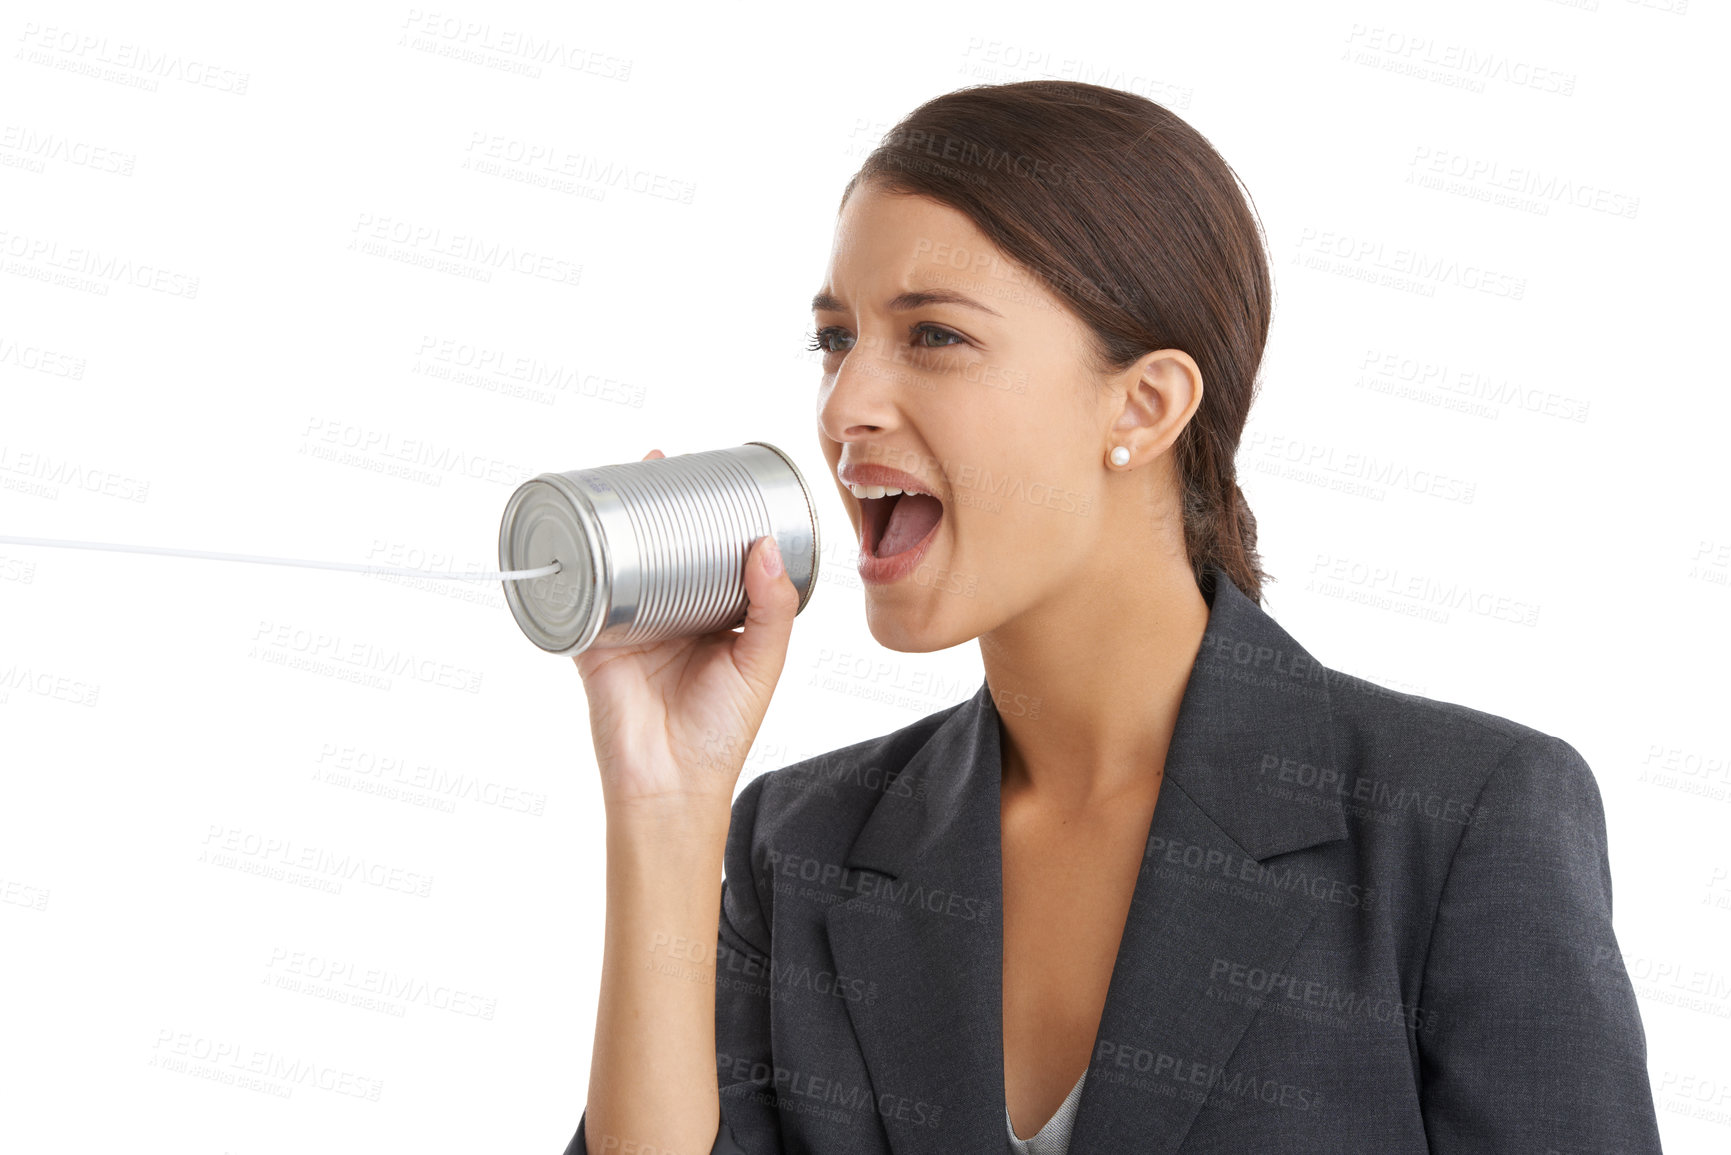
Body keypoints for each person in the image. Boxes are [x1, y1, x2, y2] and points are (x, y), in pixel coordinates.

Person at [561, 80, 1662, 1154]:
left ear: (1143, 405)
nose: (845, 405)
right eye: (835, 339)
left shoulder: (1461, 823)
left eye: (933, 335)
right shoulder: (796, 846)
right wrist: (666, 804)